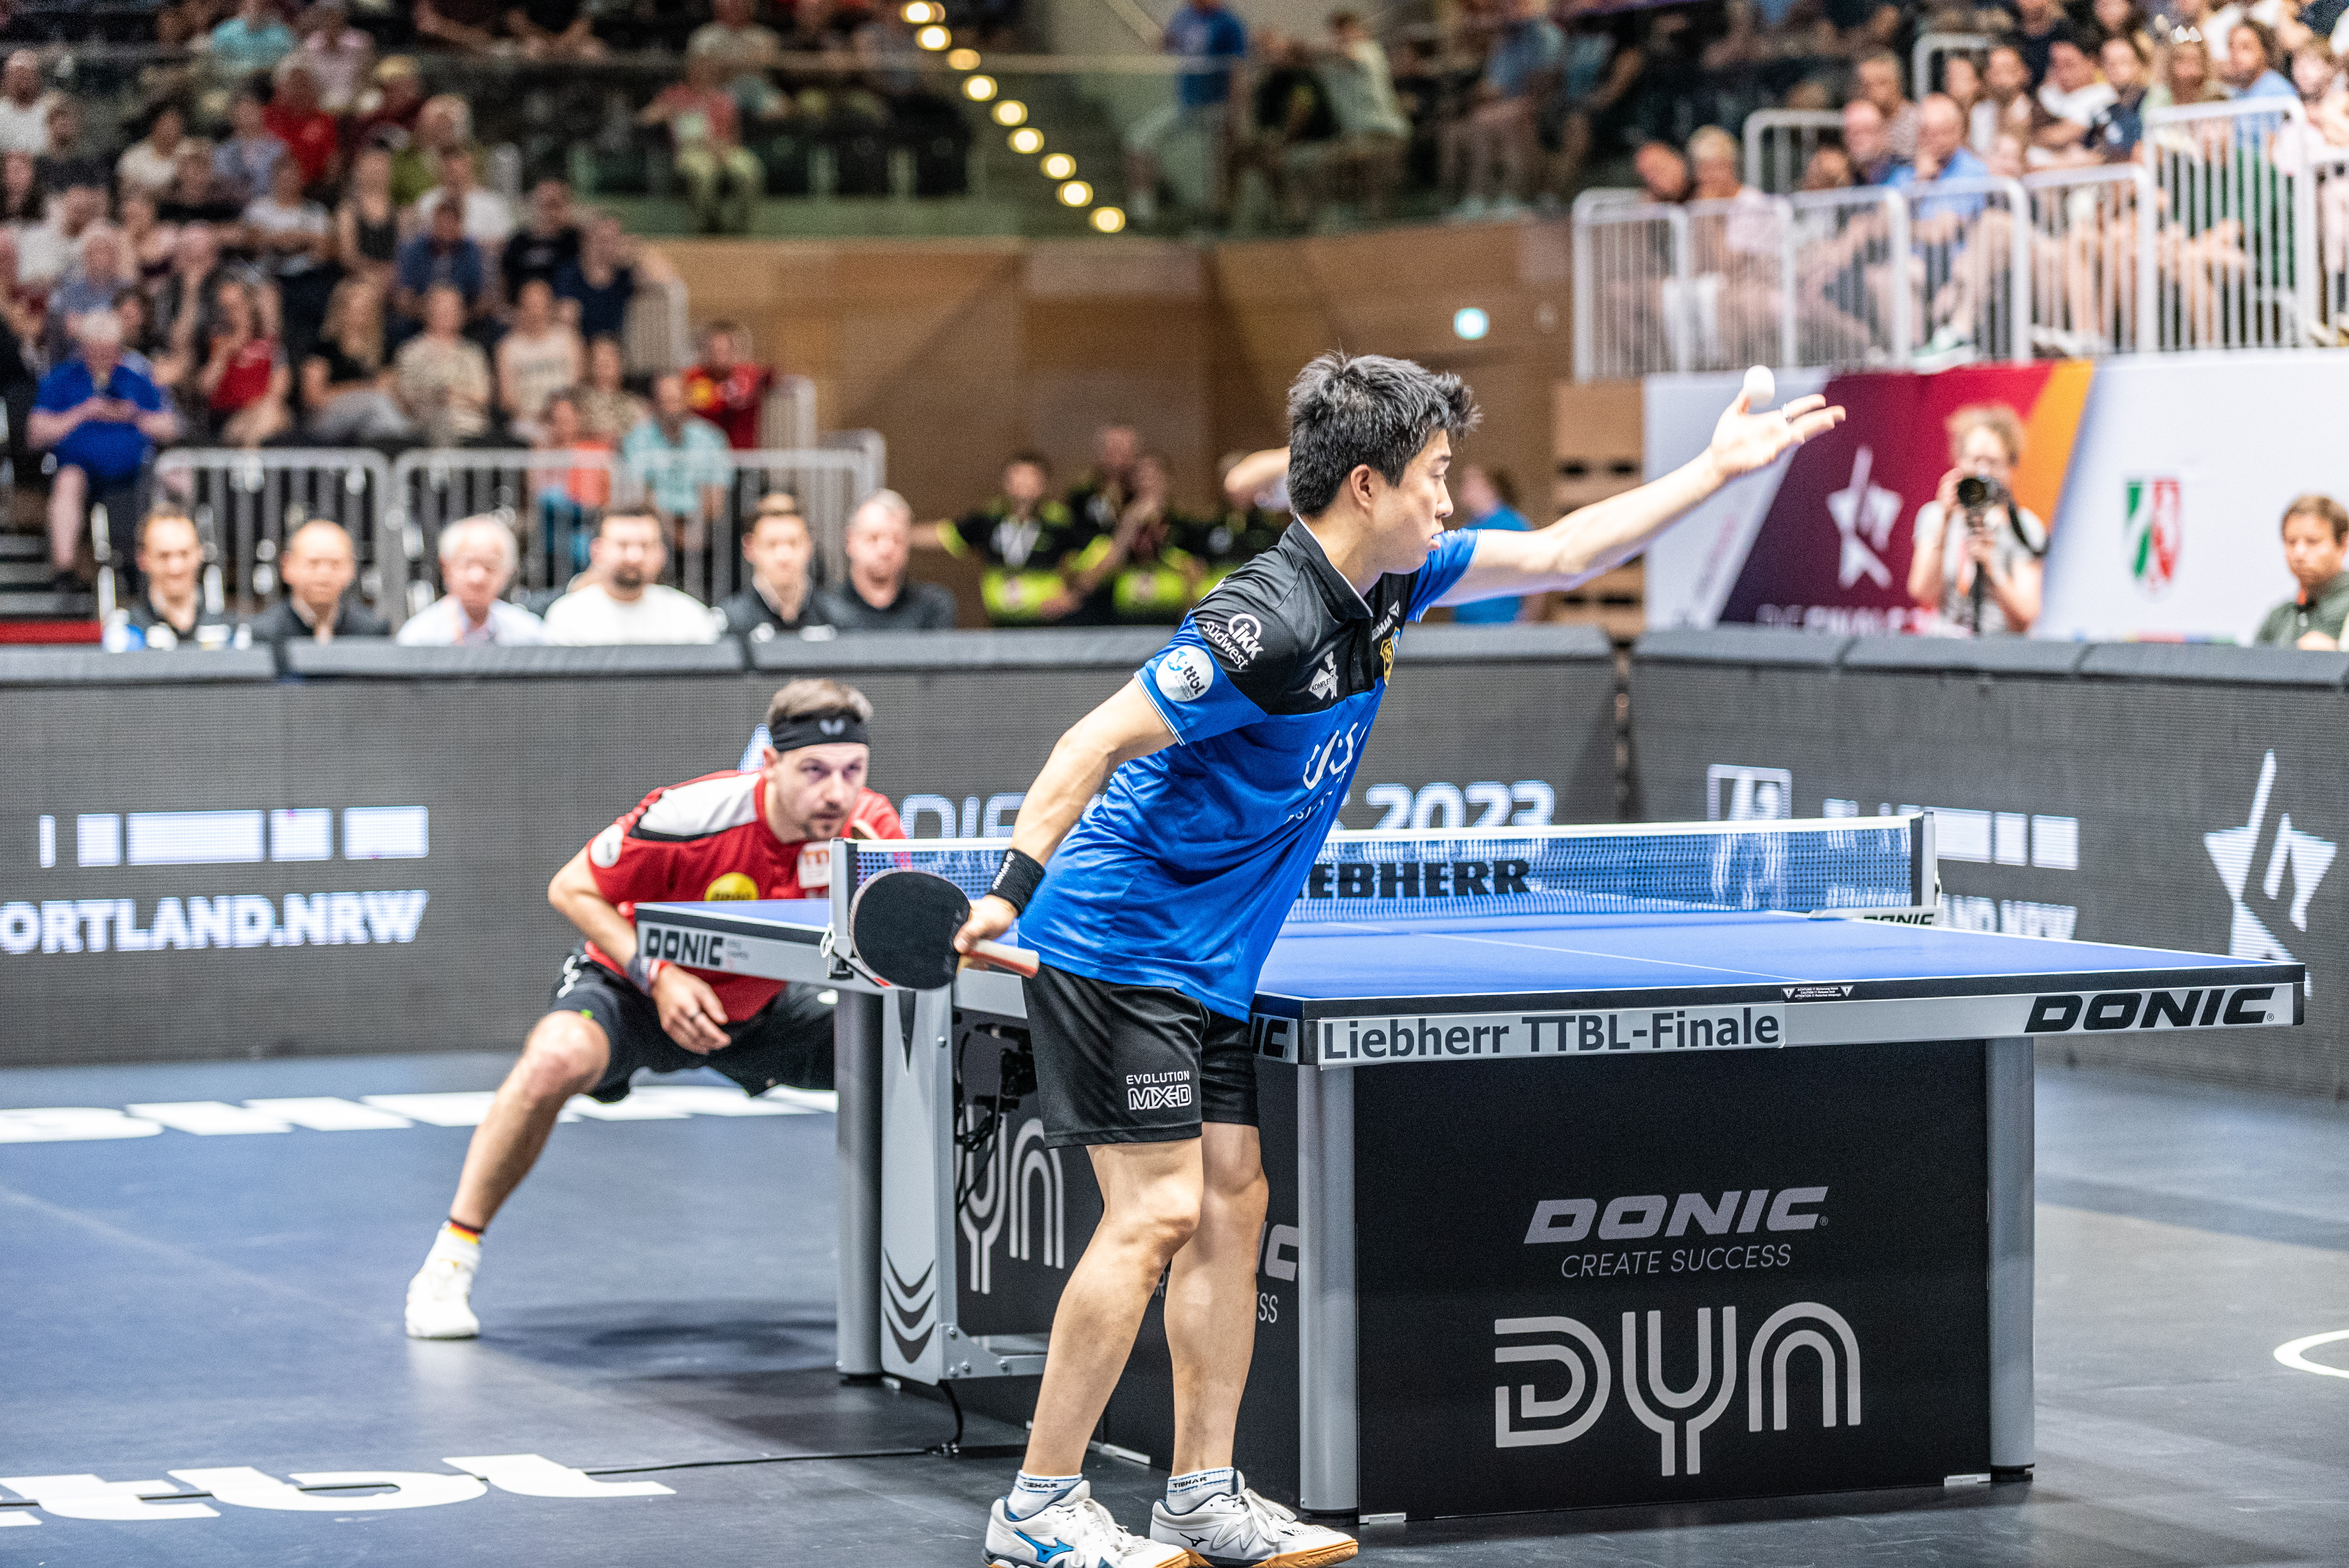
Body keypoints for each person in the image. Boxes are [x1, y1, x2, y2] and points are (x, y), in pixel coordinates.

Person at [949, 351, 1838, 1568]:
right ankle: (1039, 1507)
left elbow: (1561, 554)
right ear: (1365, 485)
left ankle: (1199, 1495)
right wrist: (1009, 891)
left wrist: (1715, 470)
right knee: (1156, 1211)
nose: (1450, 499)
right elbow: (1090, 741)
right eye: (1435, 474)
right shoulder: (1263, 620)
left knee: (1232, 1209)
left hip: (1214, 959)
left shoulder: (1389, 586)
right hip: (1122, 941)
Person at [402, 678, 904, 1340]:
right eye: (814, 771)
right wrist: (660, 975)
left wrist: (885, 893)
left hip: (763, 1006)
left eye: (851, 770)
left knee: (912, 1056)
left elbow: (897, 943)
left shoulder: (870, 827)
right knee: (553, 1061)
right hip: (636, 990)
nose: (836, 793)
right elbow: (571, 888)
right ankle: (450, 1261)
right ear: (770, 763)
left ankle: (916, 1281)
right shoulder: (690, 816)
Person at [31, 310, 178, 594]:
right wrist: (84, 412)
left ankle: (140, 568)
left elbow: (169, 426)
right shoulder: (63, 378)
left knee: (157, 482)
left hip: (131, 472)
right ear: (84, 348)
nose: (102, 357)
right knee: (68, 482)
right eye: (95, 349)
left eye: (109, 350)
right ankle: (64, 570)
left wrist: (133, 415)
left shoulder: (135, 380)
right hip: (79, 468)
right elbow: (36, 432)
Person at [1907, 403, 2046, 636]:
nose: (1983, 472)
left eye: (1993, 462)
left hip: (2000, 647)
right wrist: (1945, 521)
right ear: (1959, 461)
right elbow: (1922, 592)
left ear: (2010, 467)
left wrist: (1992, 567)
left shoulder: (2024, 527)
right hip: (1947, 645)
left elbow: (2026, 615)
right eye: (1975, 460)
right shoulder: (1935, 515)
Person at [1125, 0, 1249, 227]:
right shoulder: (1185, 17)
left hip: (1215, 107)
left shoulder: (1229, 23)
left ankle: (1220, 214)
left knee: (1220, 161)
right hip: (1187, 106)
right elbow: (1168, 43)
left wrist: (1235, 113)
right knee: (1139, 140)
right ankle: (1144, 211)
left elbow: (1237, 70)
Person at [938, 452, 1091, 627]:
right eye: (1017, 475)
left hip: (1046, 623)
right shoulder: (990, 518)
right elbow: (946, 534)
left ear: (1043, 484)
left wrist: (1074, 595)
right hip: (1001, 622)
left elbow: (1098, 555)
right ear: (1006, 482)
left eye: (1030, 476)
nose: (1023, 482)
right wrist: (909, 532)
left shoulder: (1058, 521)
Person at [542, 510, 722, 644]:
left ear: (661, 555)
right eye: (623, 545)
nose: (634, 557)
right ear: (597, 552)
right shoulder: (568, 617)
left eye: (645, 545)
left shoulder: (689, 616)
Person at [1062, 451, 1203, 624]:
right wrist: (1129, 526)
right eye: (1140, 478)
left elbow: (1198, 575)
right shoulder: (1115, 528)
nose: (1146, 484)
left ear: (1168, 481)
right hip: (1121, 620)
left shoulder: (1184, 525)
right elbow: (1090, 580)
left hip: (1173, 621)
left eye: (1153, 477)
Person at [1452, 0, 1562, 218]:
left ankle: (1512, 197)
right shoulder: (1504, 42)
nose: (1504, 11)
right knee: (1478, 122)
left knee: (1491, 122)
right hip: (1506, 109)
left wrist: (1502, 107)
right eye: (1501, 7)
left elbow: (1542, 91)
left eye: (1511, 5)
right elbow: (1491, 88)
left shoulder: (1547, 35)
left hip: (1545, 109)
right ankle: (1477, 200)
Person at [640, 51, 765, 235]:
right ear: (689, 71)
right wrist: (668, 112)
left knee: (751, 171)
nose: (703, 73)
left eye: (708, 69)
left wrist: (722, 151)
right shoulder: (675, 95)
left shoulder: (723, 99)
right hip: (692, 151)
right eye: (698, 68)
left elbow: (734, 136)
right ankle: (709, 229)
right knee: (705, 177)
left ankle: (739, 229)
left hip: (725, 149)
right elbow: (644, 118)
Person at [397, 514, 548, 645]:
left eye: (490, 566)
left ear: (508, 572)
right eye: (467, 564)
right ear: (446, 567)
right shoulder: (419, 637)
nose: (477, 578)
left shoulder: (529, 634)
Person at [819, 491, 959, 630]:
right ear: (850, 541)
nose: (885, 550)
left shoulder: (932, 607)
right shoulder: (825, 608)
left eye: (897, 539)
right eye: (873, 538)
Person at [621, 372, 732, 547]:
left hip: (702, 527)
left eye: (676, 400)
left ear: (687, 400)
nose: (672, 408)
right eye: (665, 401)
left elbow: (716, 499)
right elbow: (638, 494)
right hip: (654, 528)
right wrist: (673, 533)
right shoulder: (637, 439)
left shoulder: (710, 437)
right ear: (654, 404)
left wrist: (692, 532)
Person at [302, 275, 414, 442]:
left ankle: (396, 446)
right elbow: (314, 398)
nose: (359, 316)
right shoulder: (323, 348)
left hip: (370, 421)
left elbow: (390, 392)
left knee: (380, 416)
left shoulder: (384, 350)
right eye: (353, 309)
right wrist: (363, 390)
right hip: (328, 418)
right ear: (341, 310)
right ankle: (406, 442)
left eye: (365, 310)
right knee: (375, 403)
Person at [247, 519, 393, 645]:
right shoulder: (263, 632)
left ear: (351, 569)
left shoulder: (372, 632)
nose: (324, 574)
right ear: (287, 566)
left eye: (335, 564)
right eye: (313, 563)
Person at [115, 511, 242, 650]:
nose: (175, 568)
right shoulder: (125, 631)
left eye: (184, 554)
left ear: (200, 554)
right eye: (164, 556)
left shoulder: (230, 629)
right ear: (143, 559)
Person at [717, 497, 833, 639]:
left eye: (793, 543)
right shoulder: (728, 622)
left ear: (808, 545)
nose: (784, 555)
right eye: (771, 545)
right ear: (750, 548)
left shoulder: (837, 620)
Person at [395, 282, 495, 445]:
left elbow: (482, 399)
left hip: (471, 428)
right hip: (426, 430)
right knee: (441, 420)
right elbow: (406, 399)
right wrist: (437, 397)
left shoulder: (474, 353)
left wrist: (450, 395)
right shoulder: (410, 352)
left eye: (452, 308)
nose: (446, 313)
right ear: (429, 311)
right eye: (441, 307)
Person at [199, 276, 291, 448]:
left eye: (237, 306)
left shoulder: (270, 344)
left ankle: (248, 458)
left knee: (272, 414)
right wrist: (224, 354)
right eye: (226, 308)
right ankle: (250, 459)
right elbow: (205, 389)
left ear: (249, 304)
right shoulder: (216, 342)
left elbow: (280, 389)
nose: (232, 313)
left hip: (263, 411)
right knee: (267, 418)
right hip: (227, 418)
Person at [2252, 494, 2349, 647]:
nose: (2299, 553)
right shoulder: (2279, 617)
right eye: (2291, 542)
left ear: (2343, 544)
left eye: (2312, 541)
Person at [495, 278, 582, 440]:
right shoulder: (508, 347)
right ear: (520, 309)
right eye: (529, 306)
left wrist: (555, 413)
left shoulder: (568, 340)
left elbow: (576, 388)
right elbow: (507, 400)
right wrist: (537, 414)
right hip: (527, 423)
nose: (535, 313)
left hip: (563, 420)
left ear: (550, 308)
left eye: (540, 306)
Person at [393, 198, 491, 339]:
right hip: (420, 316)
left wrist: (456, 318)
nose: (447, 226)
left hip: (463, 317)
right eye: (443, 221)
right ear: (433, 223)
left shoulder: (472, 250)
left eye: (453, 222)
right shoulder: (414, 249)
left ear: (460, 225)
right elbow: (404, 296)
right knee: (398, 328)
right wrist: (432, 316)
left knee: (488, 329)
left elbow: (483, 297)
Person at [1447, 465, 1530, 623]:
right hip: (1464, 625)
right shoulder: (1468, 529)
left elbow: (1536, 576)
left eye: (1471, 483)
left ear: (1489, 489)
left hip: (1502, 624)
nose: (1463, 489)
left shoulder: (1512, 526)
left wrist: (1526, 622)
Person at [554, 212, 648, 343]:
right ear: (587, 241)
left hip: (615, 345)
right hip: (583, 345)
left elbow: (659, 281)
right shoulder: (571, 273)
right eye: (603, 240)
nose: (609, 247)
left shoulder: (624, 273)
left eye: (614, 240)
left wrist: (635, 255)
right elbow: (568, 321)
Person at [682, 320, 774, 451]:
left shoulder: (752, 376)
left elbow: (779, 378)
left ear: (735, 351)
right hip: (704, 455)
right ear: (703, 351)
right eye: (713, 350)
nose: (719, 356)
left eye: (725, 351)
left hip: (743, 455)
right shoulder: (690, 379)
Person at [412, 145, 516, 251]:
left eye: (457, 165)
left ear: (469, 166)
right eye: (449, 167)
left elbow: (505, 241)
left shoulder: (492, 203)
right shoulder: (428, 201)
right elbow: (419, 239)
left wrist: (469, 246)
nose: (453, 172)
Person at [501, 178, 581, 302]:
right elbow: (504, 285)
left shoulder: (577, 241)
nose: (550, 212)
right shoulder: (518, 242)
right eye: (544, 205)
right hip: (523, 308)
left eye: (556, 205)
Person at [262, 63, 340, 189]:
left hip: (312, 187)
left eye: (303, 86)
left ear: (314, 92)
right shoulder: (267, 116)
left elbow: (333, 159)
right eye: (292, 86)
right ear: (280, 90)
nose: (298, 92)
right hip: (270, 186)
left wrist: (328, 185)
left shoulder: (325, 121)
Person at [212, 88, 287, 207]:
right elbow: (221, 183)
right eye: (242, 111)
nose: (247, 115)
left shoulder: (278, 149)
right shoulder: (223, 152)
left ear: (261, 112)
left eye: (251, 110)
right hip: (232, 209)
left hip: (270, 208)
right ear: (233, 117)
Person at [574, 332, 645, 441]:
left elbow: (642, 438)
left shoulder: (634, 405)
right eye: (598, 356)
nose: (604, 360)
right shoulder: (578, 403)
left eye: (610, 354)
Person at [1854, 49, 1920, 161]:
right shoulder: (1859, 122)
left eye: (1881, 83)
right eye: (1866, 85)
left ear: (1897, 83)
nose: (1872, 90)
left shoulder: (1918, 121)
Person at [115, 103, 189, 201]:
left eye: (176, 124)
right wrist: (160, 192)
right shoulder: (134, 155)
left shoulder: (191, 151)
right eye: (167, 123)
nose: (171, 129)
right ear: (154, 126)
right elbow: (125, 190)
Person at [210, 0, 299, 77]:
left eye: (263, 5)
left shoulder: (282, 36)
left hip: (267, 85)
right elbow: (215, 65)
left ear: (270, 8)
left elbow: (288, 67)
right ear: (245, 5)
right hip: (230, 83)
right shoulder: (225, 32)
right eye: (254, 4)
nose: (257, 9)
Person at [0, 52, 52, 156]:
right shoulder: (1, 112)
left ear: (37, 79)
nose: (23, 84)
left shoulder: (50, 112)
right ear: (7, 80)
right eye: (17, 78)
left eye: (27, 78)